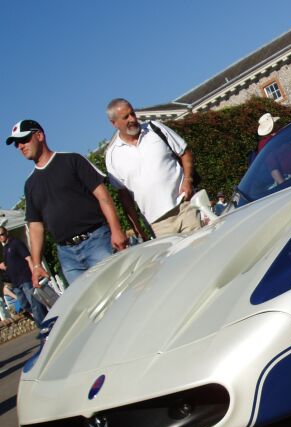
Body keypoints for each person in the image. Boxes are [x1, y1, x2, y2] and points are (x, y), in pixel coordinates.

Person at [6, 120, 127, 286]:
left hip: (97, 241)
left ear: (39, 136)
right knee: (89, 306)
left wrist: (116, 230)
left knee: (118, 289)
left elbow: (103, 196)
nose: (20, 146)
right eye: (17, 144)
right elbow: (35, 227)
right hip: (67, 256)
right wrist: (36, 265)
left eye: (24, 139)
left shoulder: (71, 160)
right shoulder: (30, 185)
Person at [105, 98, 200, 238]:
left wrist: (187, 180)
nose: (132, 119)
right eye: (125, 117)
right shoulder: (112, 155)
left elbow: (184, 153)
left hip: (184, 206)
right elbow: (124, 196)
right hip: (157, 224)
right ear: (114, 123)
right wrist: (138, 229)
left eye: (132, 113)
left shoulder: (155, 129)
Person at [0, 228, 46, 327]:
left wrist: (34, 273)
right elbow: (12, 263)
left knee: (34, 303)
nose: (1, 237)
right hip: (15, 282)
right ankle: (44, 316)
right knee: (24, 304)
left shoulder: (16, 243)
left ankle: (43, 326)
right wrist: (4, 265)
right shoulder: (5, 248)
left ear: (7, 233)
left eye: (2, 234)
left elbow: (28, 258)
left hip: (25, 278)